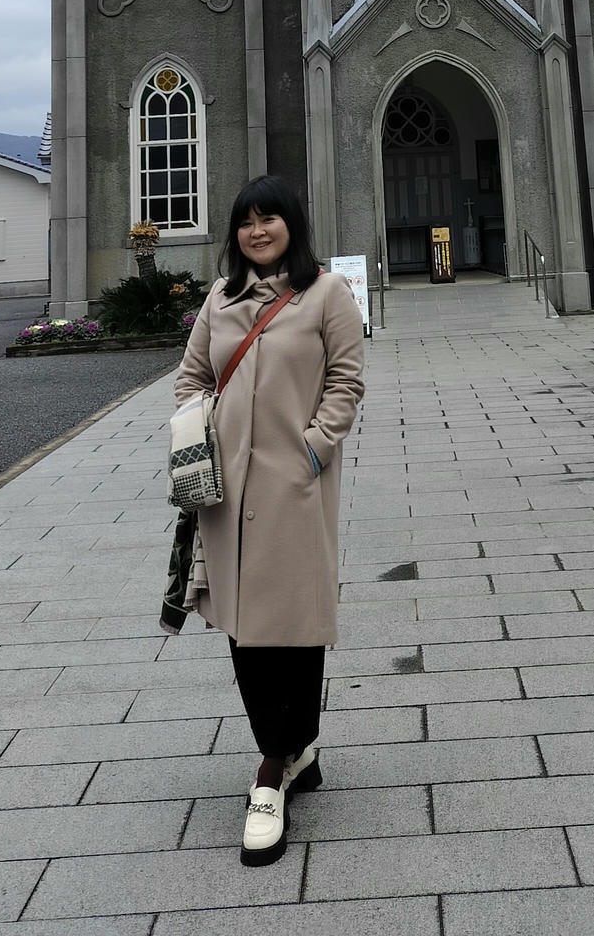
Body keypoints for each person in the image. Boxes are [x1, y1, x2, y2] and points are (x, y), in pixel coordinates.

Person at [171, 175, 366, 865]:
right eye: (246, 221)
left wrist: (313, 449)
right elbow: (191, 377)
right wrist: (207, 441)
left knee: (293, 623)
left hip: (293, 486)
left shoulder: (327, 295)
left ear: (293, 224)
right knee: (246, 627)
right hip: (227, 493)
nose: (258, 231)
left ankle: (276, 764)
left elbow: (347, 380)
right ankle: (282, 756)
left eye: (270, 219)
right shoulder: (220, 300)